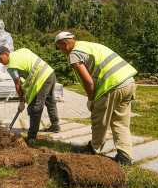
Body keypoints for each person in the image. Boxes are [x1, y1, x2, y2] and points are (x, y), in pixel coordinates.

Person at [54, 32, 137, 166]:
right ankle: (125, 157)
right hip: (129, 82)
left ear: (64, 44)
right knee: (120, 123)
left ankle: (93, 149)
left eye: (59, 47)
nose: (60, 51)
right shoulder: (88, 46)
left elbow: (88, 82)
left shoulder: (74, 54)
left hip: (112, 86)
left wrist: (91, 99)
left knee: (99, 119)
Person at [0, 46, 60, 144]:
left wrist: (21, 102)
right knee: (50, 101)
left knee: (35, 107)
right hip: (49, 73)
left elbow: (18, 83)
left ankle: (32, 137)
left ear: (6, 54)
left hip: (41, 79)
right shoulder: (22, 50)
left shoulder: (12, 66)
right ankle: (55, 124)